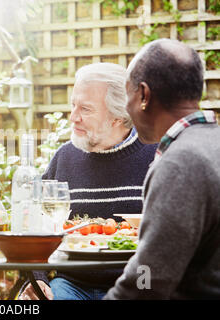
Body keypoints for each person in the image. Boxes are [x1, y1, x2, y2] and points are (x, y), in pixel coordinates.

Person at [19, 63, 157, 300]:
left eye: (85, 109)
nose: (73, 117)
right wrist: (39, 278)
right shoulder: (65, 157)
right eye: (73, 105)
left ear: (117, 117)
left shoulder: (156, 157)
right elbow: (31, 227)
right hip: (71, 284)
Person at [104, 39, 220, 299]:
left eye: (127, 95)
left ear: (144, 95)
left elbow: (148, 279)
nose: (126, 108)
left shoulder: (180, 164)